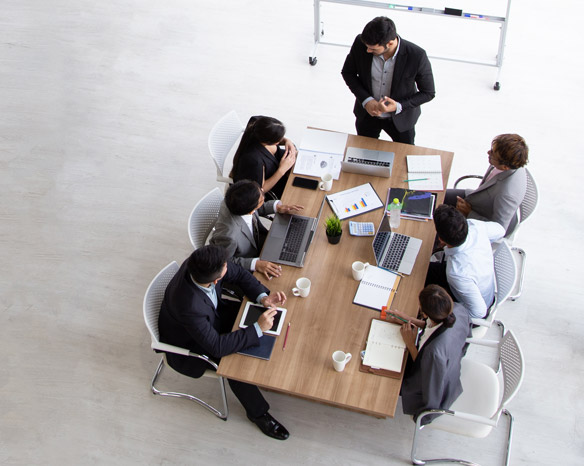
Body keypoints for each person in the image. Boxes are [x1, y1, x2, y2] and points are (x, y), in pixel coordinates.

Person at [158, 245, 290, 440]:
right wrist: (257, 329)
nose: (229, 267)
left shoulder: (202, 262)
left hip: (212, 317)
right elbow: (217, 347)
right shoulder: (189, 306)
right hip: (191, 345)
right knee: (236, 366)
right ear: (216, 280)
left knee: (255, 319)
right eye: (225, 268)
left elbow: (239, 274)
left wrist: (263, 297)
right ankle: (258, 414)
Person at [341, 16, 435, 144]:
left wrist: (398, 106)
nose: (368, 50)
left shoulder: (417, 56)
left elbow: (428, 93)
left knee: (403, 155)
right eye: (367, 47)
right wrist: (367, 100)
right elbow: (348, 73)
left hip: (401, 120)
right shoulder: (361, 43)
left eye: (373, 49)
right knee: (363, 152)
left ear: (390, 43)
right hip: (367, 116)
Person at [388, 285, 471, 425]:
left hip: (433, 385)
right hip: (446, 364)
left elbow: (423, 372)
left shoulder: (433, 352)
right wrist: (410, 320)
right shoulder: (457, 309)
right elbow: (436, 327)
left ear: (425, 314)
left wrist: (410, 343)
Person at [210, 180, 303, 279]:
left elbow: (258, 208)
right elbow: (224, 263)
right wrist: (255, 264)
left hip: (261, 242)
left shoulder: (236, 200)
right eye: (261, 198)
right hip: (248, 263)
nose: (263, 191)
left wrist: (277, 207)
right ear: (250, 210)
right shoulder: (228, 235)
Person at [426, 204, 505, 319]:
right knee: (422, 268)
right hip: (480, 287)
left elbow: (479, 313)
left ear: (441, 239)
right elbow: (500, 230)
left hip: (469, 304)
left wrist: (450, 316)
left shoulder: (457, 272)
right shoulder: (476, 227)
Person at [444, 133, 529, 236]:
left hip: (481, 218)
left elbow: (499, 229)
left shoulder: (507, 195)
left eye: (493, 153)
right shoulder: (509, 161)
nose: (488, 152)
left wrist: (469, 213)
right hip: (479, 199)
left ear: (505, 167)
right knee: (436, 195)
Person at [229, 115, 297, 200]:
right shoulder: (254, 160)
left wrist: (287, 141)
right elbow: (260, 190)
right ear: (268, 141)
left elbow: (279, 138)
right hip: (273, 189)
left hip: (280, 167)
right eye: (278, 139)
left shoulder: (257, 124)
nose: (280, 141)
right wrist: (282, 170)